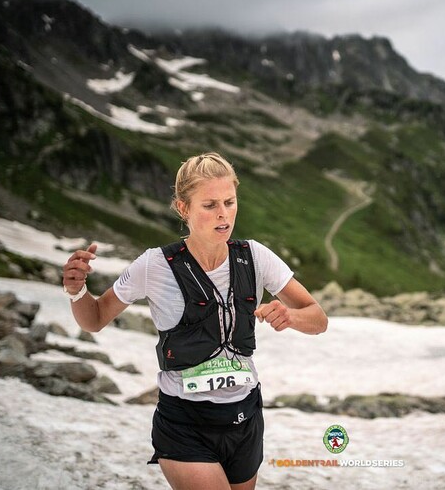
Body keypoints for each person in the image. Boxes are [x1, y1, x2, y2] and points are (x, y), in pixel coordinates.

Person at [62, 152, 327, 490]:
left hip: (244, 418)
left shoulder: (255, 256)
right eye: (210, 204)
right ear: (183, 208)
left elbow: (317, 318)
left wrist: (291, 316)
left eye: (230, 202)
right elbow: (95, 319)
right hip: (185, 424)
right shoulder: (154, 265)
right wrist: (76, 290)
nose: (223, 214)